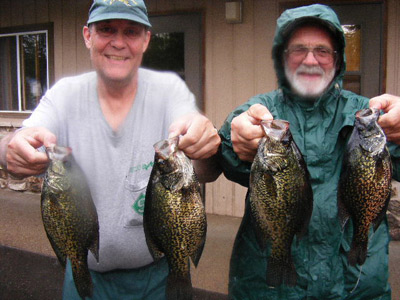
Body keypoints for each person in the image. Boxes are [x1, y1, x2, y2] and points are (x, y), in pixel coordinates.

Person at [0, 0, 221, 299]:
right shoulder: (65, 94)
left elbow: (205, 171)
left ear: (146, 40)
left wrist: (206, 148)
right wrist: (9, 149)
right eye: (106, 29)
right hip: (85, 275)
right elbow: (20, 137)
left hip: (158, 274)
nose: (118, 42)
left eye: (131, 31)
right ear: (88, 36)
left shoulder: (170, 91)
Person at [218, 4, 400, 299]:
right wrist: (233, 139)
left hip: (355, 287)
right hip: (269, 289)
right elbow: (227, 157)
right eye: (298, 49)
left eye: (322, 50)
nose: (310, 60)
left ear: (338, 59)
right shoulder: (261, 111)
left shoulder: (368, 115)